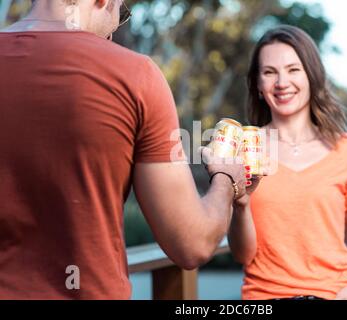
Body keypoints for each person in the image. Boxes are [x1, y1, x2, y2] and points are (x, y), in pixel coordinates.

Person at [0, 0, 249, 299]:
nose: (114, 31)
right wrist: (226, 177)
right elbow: (192, 243)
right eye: (122, 12)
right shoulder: (135, 75)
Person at [228, 25, 347, 300]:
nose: (282, 82)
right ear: (259, 86)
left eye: (293, 69)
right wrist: (240, 204)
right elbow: (242, 254)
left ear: (312, 75)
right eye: (269, 72)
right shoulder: (243, 149)